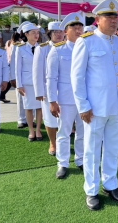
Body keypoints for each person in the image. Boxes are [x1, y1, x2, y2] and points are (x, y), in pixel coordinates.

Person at [71, 0, 118, 211]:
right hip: (95, 108)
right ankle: (91, 190)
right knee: (91, 149)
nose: (114, 21)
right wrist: (83, 105)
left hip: (117, 106)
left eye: (116, 17)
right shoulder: (86, 41)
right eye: (109, 17)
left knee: (113, 146)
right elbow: (77, 77)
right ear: (97, 20)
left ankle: (110, 183)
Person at [47, 12, 85, 179]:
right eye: (74, 27)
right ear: (65, 31)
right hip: (66, 99)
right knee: (64, 132)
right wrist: (52, 101)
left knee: (83, 132)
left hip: (84, 99)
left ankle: (81, 159)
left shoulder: (87, 47)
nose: (78, 30)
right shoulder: (57, 50)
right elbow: (51, 77)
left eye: (80, 27)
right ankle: (62, 163)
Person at [33, 21, 65, 156]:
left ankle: (64, 141)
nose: (58, 35)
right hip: (48, 91)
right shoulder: (42, 48)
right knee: (50, 119)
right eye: (55, 32)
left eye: (60, 32)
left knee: (65, 119)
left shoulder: (69, 47)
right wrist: (39, 91)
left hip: (65, 90)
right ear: (50, 34)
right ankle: (53, 142)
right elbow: (37, 71)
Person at [16, 23, 43, 142]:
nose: (36, 35)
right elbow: (17, 68)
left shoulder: (42, 47)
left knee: (39, 108)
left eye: (37, 33)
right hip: (27, 83)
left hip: (40, 82)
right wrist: (19, 85)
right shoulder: (20, 49)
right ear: (26, 34)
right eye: (33, 33)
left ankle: (38, 130)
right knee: (28, 107)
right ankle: (31, 130)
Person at [9, 22, 29, 128]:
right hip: (20, 77)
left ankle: (31, 118)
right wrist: (13, 77)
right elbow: (13, 63)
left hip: (32, 78)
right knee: (21, 99)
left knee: (33, 99)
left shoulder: (37, 46)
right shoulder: (17, 46)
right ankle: (21, 119)